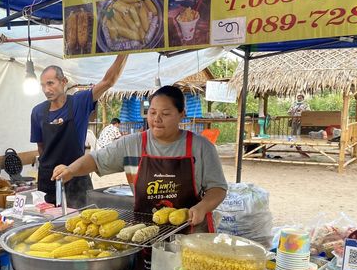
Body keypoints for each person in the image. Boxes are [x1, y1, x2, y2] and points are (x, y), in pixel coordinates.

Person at [52, 85, 227, 231]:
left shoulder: (201, 147)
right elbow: (95, 159)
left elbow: (218, 188)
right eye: (152, 112)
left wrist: (202, 207)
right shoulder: (132, 143)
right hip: (145, 232)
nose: (157, 119)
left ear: (182, 114)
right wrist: (71, 170)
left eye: (165, 114)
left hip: (191, 232)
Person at [31, 54, 128, 207]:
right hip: (48, 178)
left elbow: (108, 81)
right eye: (43, 85)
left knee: (82, 222)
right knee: (49, 223)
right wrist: (47, 168)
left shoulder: (79, 102)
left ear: (64, 82)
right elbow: (40, 146)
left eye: (50, 83)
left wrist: (125, 52)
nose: (46, 89)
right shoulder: (37, 112)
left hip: (76, 176)